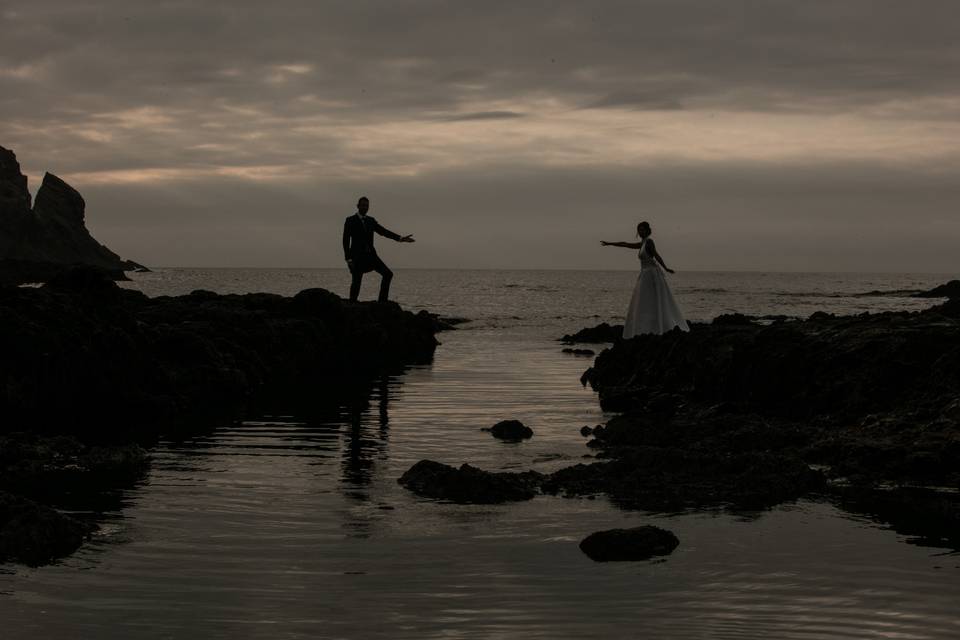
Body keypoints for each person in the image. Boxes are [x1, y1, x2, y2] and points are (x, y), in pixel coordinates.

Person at [601, 221, 690, 338]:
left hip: (652, 273)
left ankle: (658, 326)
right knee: (644, 300)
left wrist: (666, 268)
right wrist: (609, 243)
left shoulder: (649, 242)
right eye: (639, 230)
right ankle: (647, 326)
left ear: (647, 231)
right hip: (644, 274)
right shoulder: (642, 243)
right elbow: (626, 244)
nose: (640, 232)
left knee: (652, 299)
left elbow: (656, 256)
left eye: (642, 229)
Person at [342, 196, 414, 302]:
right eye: (363, 205)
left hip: (371, 256)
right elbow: (345, 240)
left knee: (388, 274)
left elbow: (383, 231)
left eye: (367, 206)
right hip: (357, 257)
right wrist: (348, 259)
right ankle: (352, 304)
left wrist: (400, 238)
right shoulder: (350, 220)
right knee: (356, 282)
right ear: (358, 206)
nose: (365, 207)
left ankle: (382, 302)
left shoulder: (371, 221)